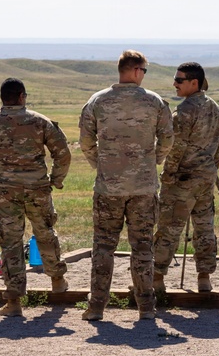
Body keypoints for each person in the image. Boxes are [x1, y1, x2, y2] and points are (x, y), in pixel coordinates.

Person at [0, 78, 71, 317]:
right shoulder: (40, 121)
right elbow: (62, 153)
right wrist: (55, 180)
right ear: (22, 96)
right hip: (37, 189)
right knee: (45, 233)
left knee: (10, 243)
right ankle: (57, 280)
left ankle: (14, 301)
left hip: (4, 193)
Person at [78, 50, 173, 321]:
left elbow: (86, 141)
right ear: (135, 71)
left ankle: (97, 307)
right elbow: (167, 138)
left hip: (108, 188)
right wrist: (152, 162)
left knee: (103, 246)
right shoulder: (154, 102)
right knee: (142, 247)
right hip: (143, 188)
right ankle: (146, 308)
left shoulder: (98, 101)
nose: (144, 75)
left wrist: (102, 164)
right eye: (144, 70)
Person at [153, 62, 219, 293]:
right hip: (205, 179)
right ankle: (204, 278)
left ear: (194, 83)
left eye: (179, 80)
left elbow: (177, 147)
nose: (174, 84)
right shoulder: (214, 107)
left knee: (169, 229)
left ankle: (156, 279)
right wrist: (211, 169)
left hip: (182, 180)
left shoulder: (184, 111)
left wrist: (168, 175)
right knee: (204, 229)